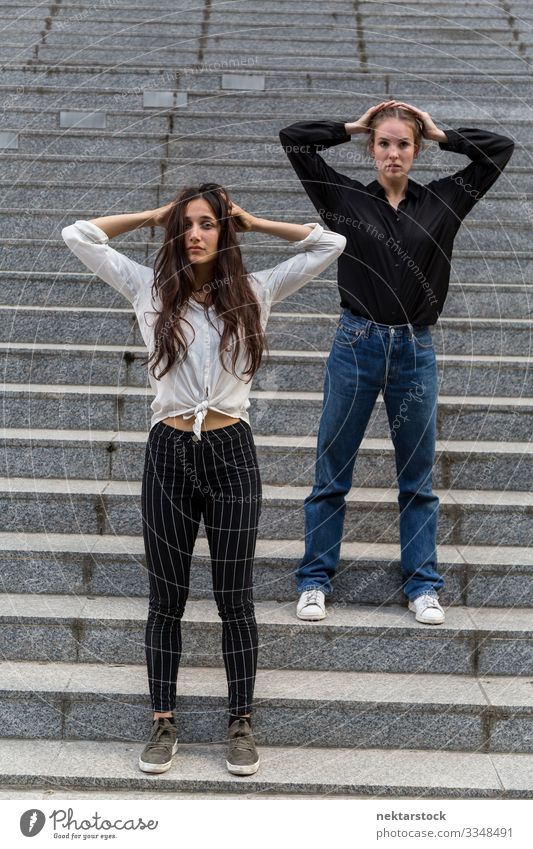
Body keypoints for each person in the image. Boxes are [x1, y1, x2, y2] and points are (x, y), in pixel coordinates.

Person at [61, 184, 346, 776]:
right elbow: (78, 235)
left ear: (224, 232)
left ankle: (240, 722)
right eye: (186, 225)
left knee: (234, 599)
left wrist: (254, 221)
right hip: (167, 451)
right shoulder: (149, 288)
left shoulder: (256, 292)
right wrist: (152, 215)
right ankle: (163, 722)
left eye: (208, 224)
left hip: (231, 452)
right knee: (166, 600)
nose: (195, 234)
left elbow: (331, 243)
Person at [280, 100, 514, 625]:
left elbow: (500, 150)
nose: (392, 153)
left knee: (418, 477)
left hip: (415, 350)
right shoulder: (342, 200)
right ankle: (315, 580)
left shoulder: (446, 201)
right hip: (356, 346)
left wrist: (438, 131)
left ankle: (423, 584)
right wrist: (354, 125)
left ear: (415, 150)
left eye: (403, 144)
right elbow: (294, 137)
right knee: (332, 470)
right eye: (383, 143)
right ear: (372, 148)